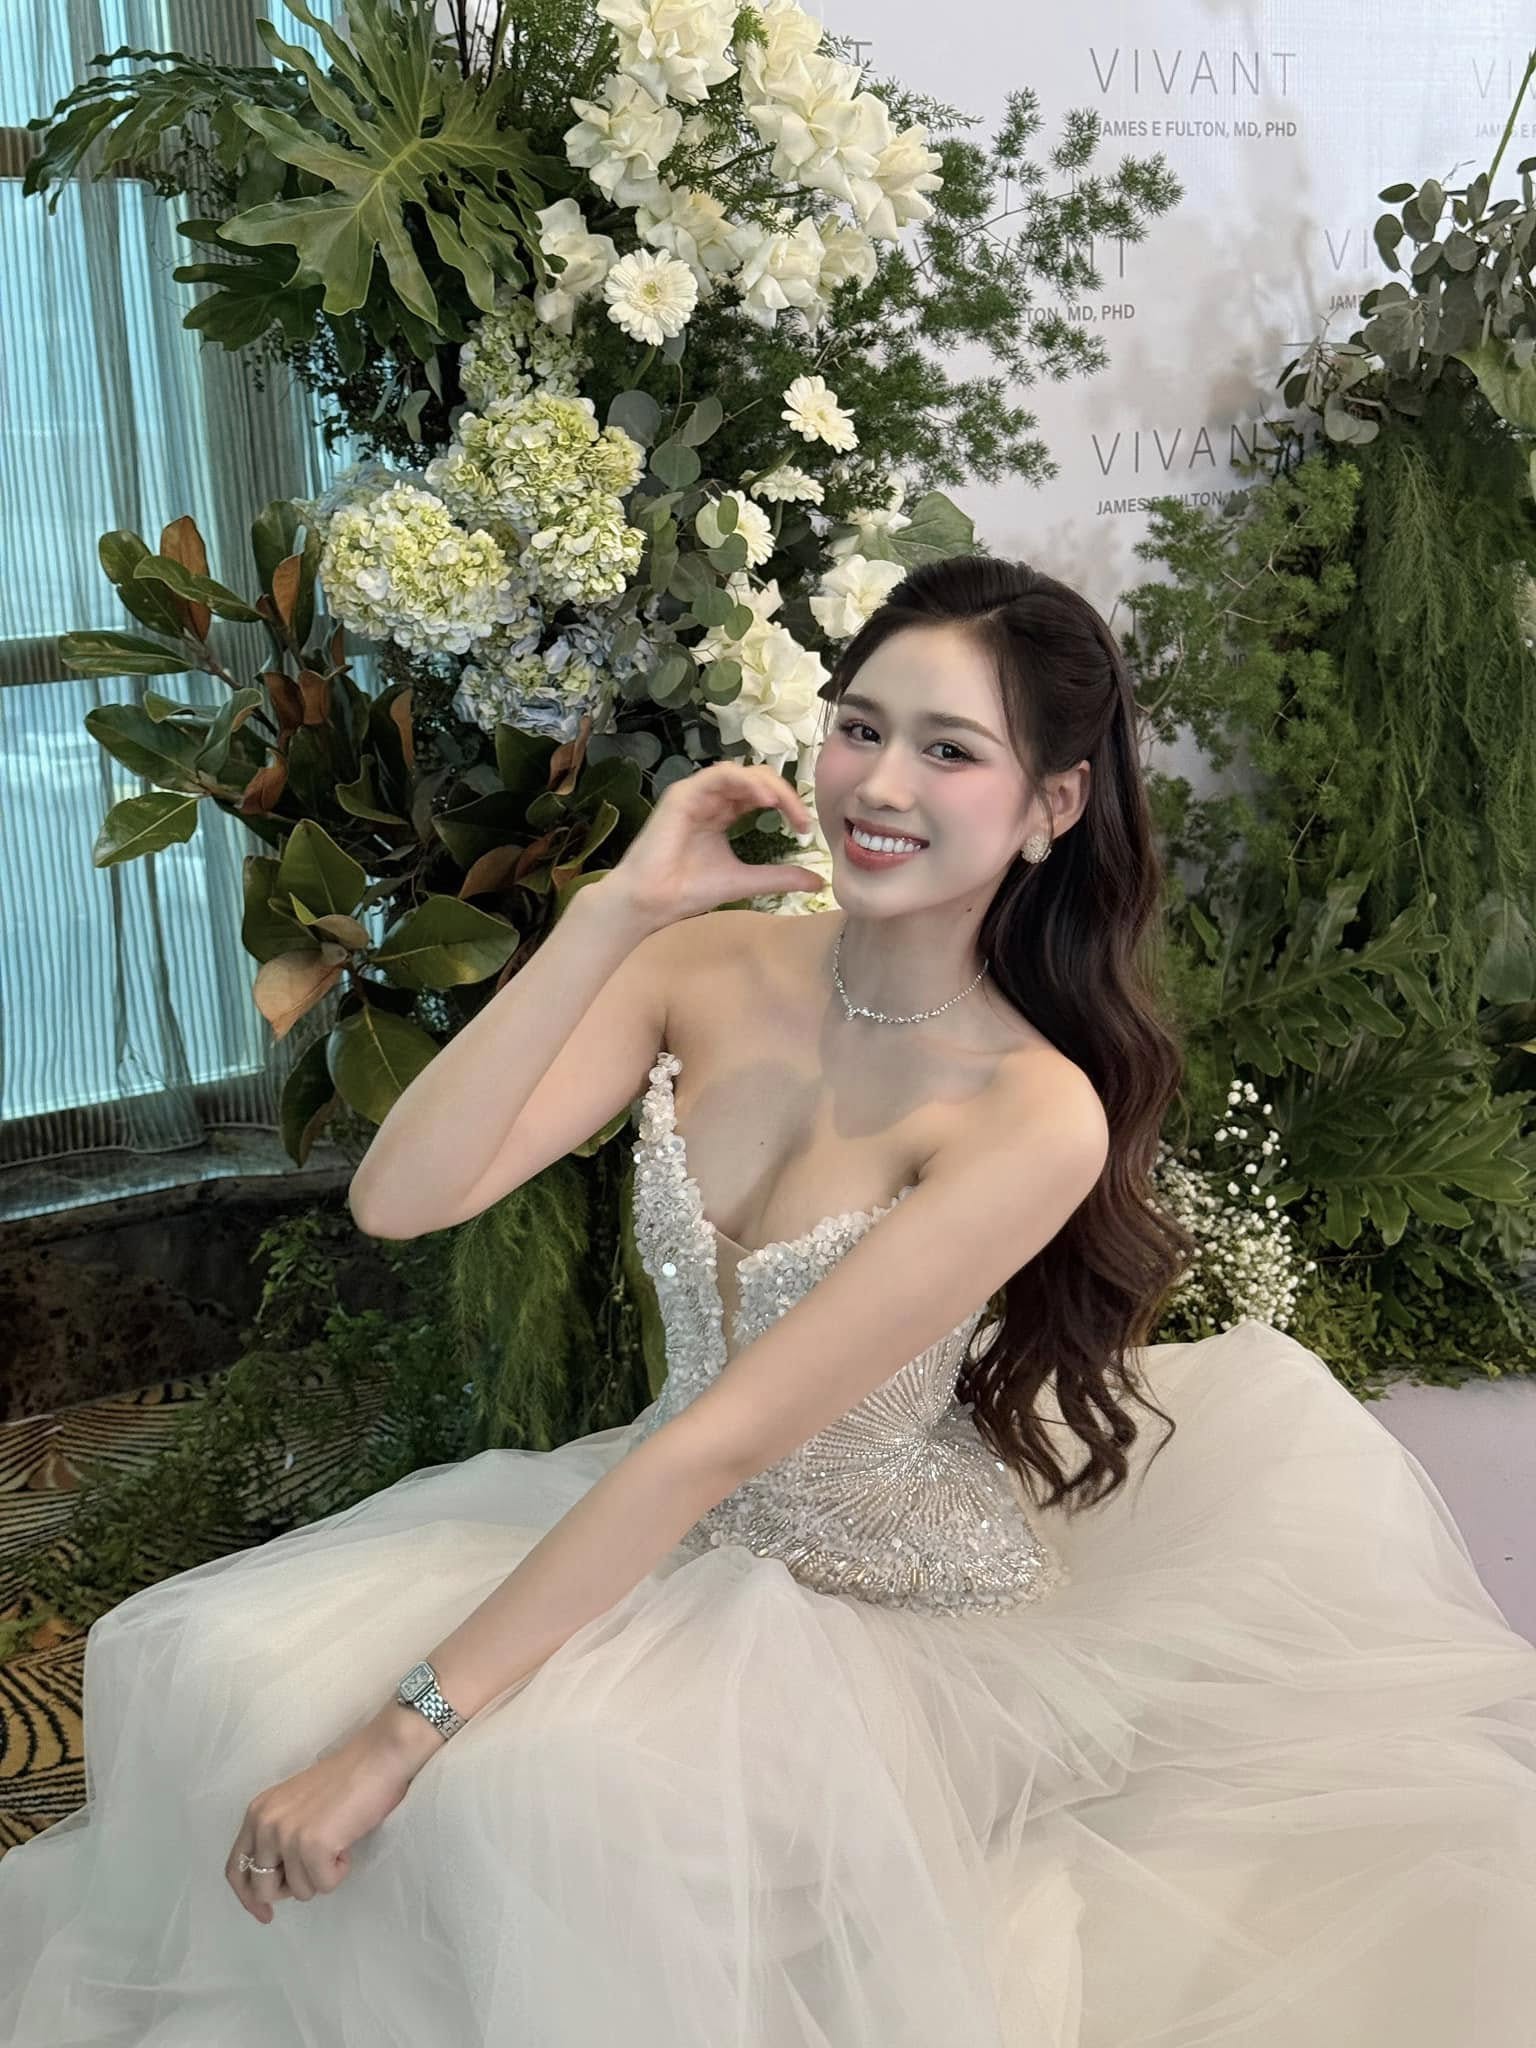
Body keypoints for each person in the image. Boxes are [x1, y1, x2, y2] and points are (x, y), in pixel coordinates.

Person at [2, 554, 1535, 2048]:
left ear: (1054, 806)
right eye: (862, 726)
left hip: (870, 1606)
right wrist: (612, 916)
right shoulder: (711, 967)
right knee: (227, 1674)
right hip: (653, 1513)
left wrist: (399, 1732)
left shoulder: (1031, 1111)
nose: (881, 784)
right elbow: (404, 1194)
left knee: (533, 1803)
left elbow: (727, 1445)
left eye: (951, 750)